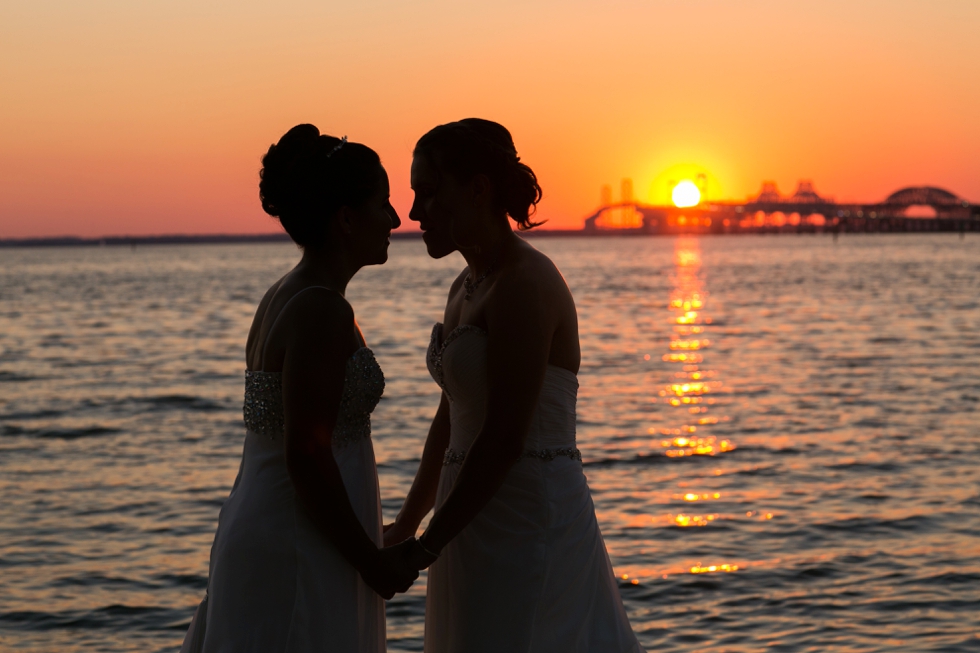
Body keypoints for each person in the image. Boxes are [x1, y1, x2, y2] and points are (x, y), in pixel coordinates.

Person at [384, 119, 645, 652]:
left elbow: (504, 437)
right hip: (466, 519)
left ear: (478, 188)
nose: (414, 213)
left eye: (428, 193)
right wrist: (407, 526)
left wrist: (424, 548)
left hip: (527, 519)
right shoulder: (463, 286)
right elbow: (449, 418)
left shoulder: (526, 284)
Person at [181, 124, 418, 653]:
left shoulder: (287, 293)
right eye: (383, 203)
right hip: (297, 541)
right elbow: (308, 455)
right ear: (346, 218)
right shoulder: (319, 309)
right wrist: (373, 562)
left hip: (285, 524)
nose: (396, 219)